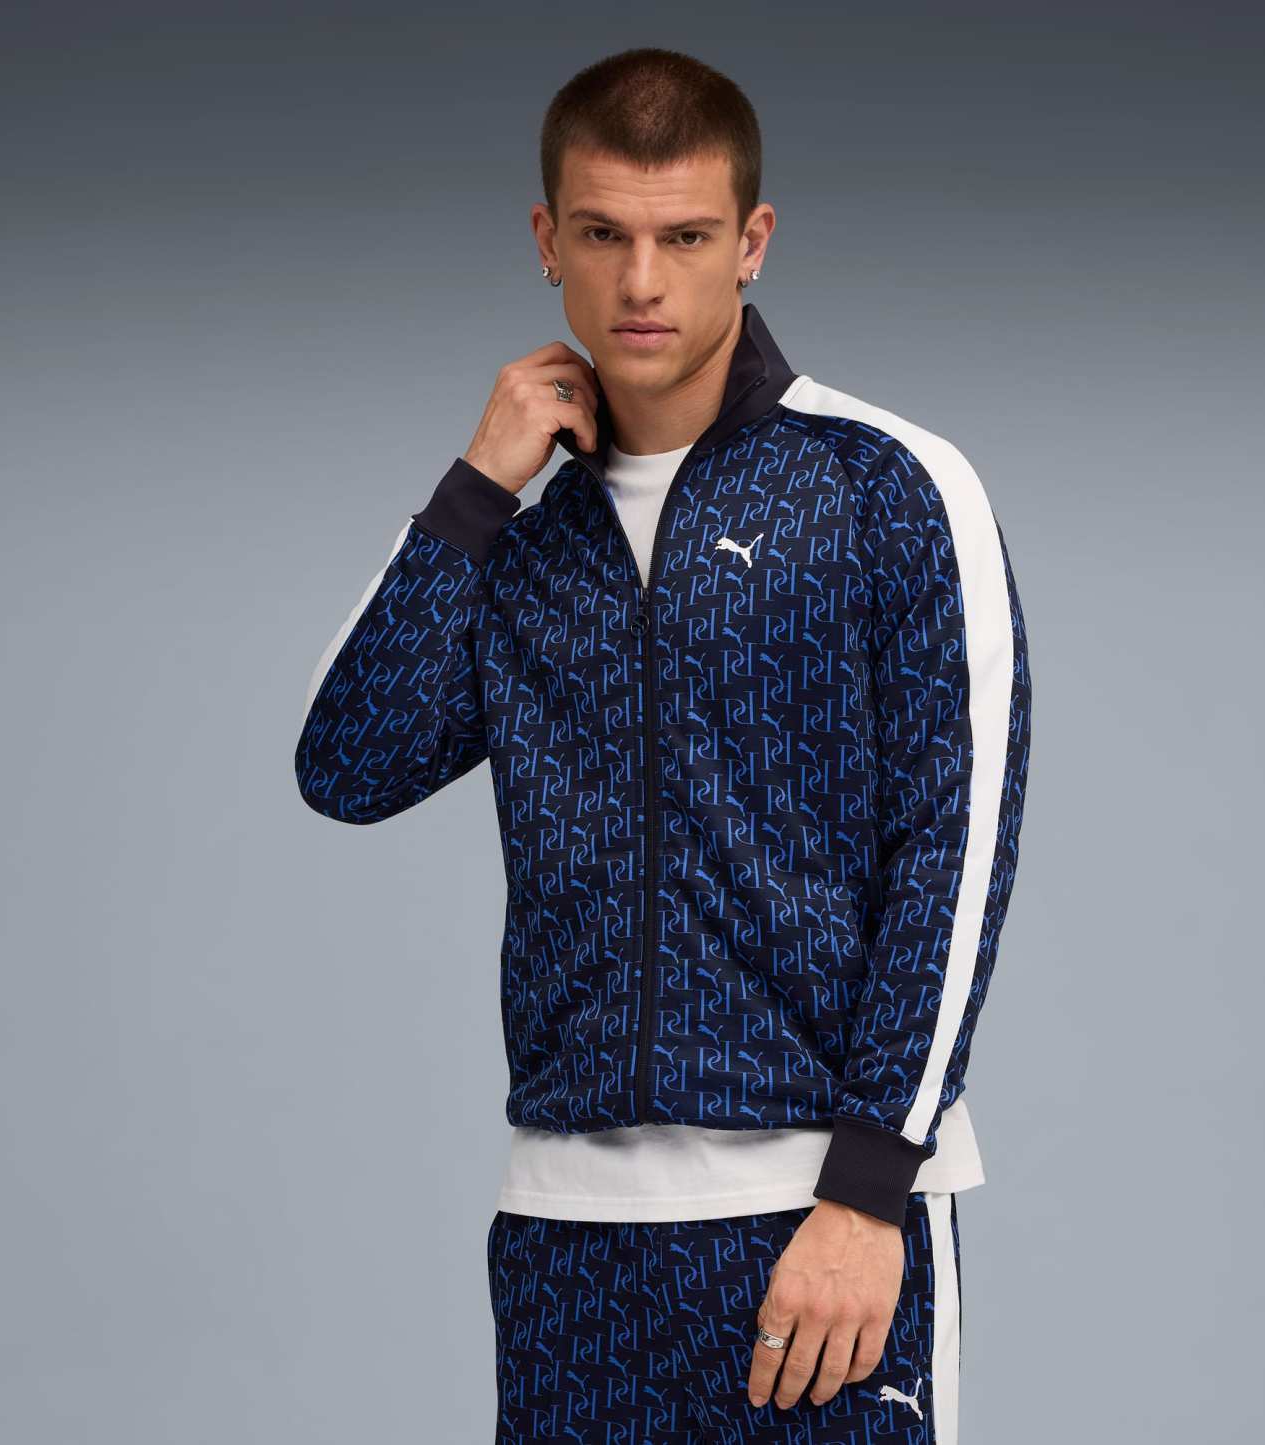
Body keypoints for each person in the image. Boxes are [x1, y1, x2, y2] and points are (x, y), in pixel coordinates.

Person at [295, 45, 1031, 1444]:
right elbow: (348, 763)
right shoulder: (522, 545)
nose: (642, 282)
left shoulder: (883, 487)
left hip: (817, 1214)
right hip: (566, 1228)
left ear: (751, 242)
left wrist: (869, 1189)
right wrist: (474, 489)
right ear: (546, 242)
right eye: (603, 236)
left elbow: (958, 841)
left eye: (685, 237)